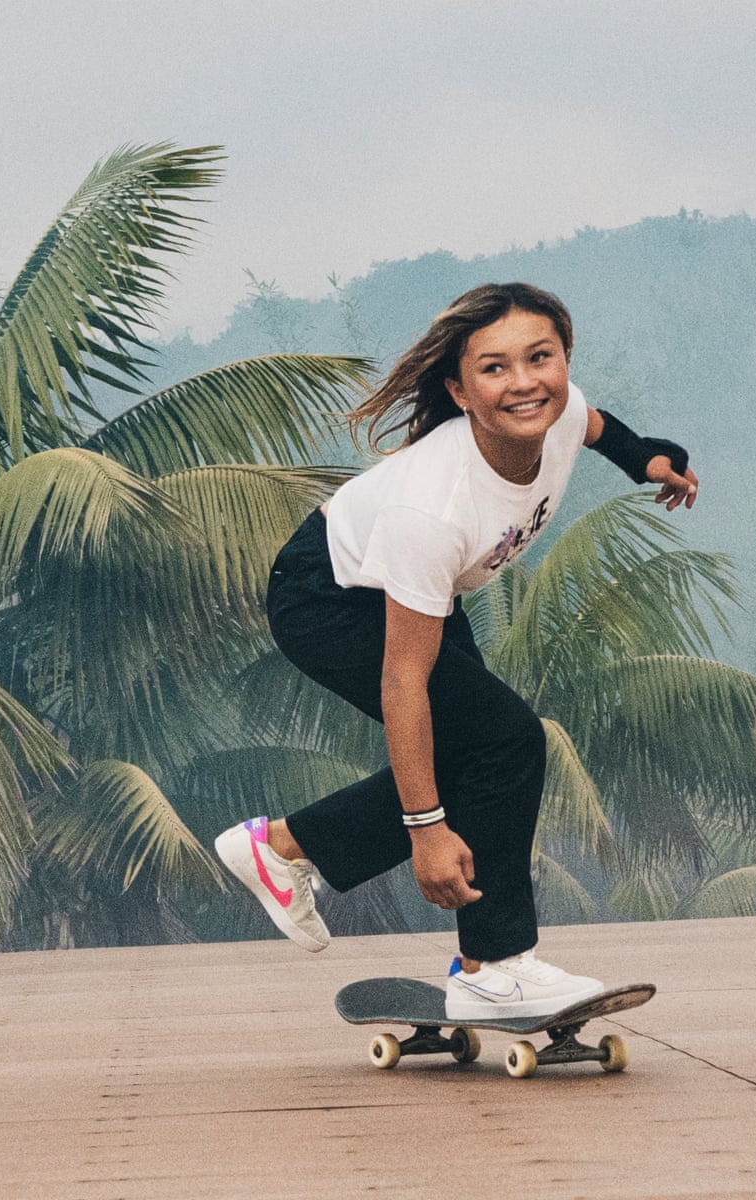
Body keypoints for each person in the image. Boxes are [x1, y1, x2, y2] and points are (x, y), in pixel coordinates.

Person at [215, 282, 698, 1020]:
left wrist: (647, 460)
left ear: (565, 357)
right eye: (494, 369)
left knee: (484, 750)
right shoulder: (433, 508)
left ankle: (289, 849)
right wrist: (425, 831)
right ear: (461, 390)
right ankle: (497, 966)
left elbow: (594, 424)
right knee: (508, 742)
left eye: (541, 357)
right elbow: (402, 684)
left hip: (411, 591)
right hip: (333, 599)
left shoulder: (557, 409)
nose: (524, 382)